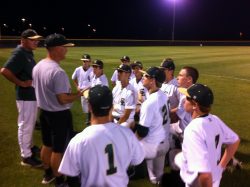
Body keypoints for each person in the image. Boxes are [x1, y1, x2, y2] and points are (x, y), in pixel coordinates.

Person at [59, 85, 145, 187]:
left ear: (90, 107)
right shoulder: (127, 134)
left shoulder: (78, 141)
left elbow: (71, 176)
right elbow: (137, 159)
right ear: (112, 107)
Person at [32, 33, 82, 186]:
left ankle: (47, 174)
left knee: (47, 144)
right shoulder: (57, 71)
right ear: (55, 49)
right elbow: (63, 99)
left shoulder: (38, 65)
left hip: (44, 112)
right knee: (58, 150)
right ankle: (59, 180)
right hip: (58, 115)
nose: (66, 50)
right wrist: (78, 95)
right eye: (64, 47)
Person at [175, 83, 240, 187]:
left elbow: (204, 175)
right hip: (214, 178)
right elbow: (234, 141)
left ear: (195, 105)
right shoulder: (214, 119)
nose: (183, 100)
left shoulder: (193, 129)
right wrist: (221, 167)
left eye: (187, 98)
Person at [0, 29, 42, 167]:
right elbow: (5, 71)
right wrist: (21, 83)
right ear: (23, 40)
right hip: (25, 97)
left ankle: (30, 147)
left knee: (29, 125)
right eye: (32, 39)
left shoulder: (27, 53)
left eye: (37, 39)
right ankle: (26, 156)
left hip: (31, 96)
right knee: (25, 125)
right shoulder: (19, 53)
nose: (36, 41)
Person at [136, 67, 170, 184]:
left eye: (145, 76)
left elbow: (142, 132)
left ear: (152, 80)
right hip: (165, 143)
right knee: (158, 176)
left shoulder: (149, 103)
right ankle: (155, 179)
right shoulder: (164, 95)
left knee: (124, 150)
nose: (142, 78)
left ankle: (134, 173)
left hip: (153, 147)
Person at [72, 53, 94, 125]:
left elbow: (93, 82)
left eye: (86, 61)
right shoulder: (78, 69)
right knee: (84, 106)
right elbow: (73, 78)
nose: (85, 62)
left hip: (89, 89)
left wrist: (86, 89)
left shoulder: (92, 70)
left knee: (89, 102)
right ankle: (89, 117)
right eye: (84, 61)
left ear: (89, 61)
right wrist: (77, 86)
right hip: (81, 90)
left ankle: (89, 119)